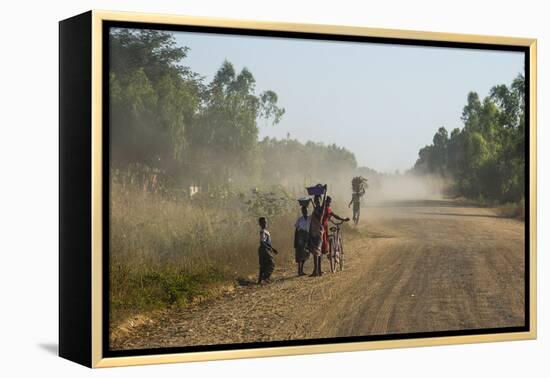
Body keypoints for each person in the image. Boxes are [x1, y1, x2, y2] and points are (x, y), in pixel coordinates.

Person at [258, 217, 278, 284]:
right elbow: (262, 242)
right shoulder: (263, 232)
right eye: (263, 222)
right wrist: (271, 249)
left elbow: (264, 242)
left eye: (265, 222)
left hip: (263, 249)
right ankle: (265, 277)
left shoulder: (265, 231)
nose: (265, 223)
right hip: (265, 250)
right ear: (260, 224)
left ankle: (260, 280)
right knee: (271, 264)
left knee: (263, 265)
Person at [308, 195, 324, 276]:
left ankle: (316, 271)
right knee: (318, 252)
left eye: (318, 200)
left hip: (317, 232)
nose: (316, 201)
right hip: (315, 232)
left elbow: (318, 214)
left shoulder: (321, 209)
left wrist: (325, 191)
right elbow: (315, 208)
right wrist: (311, 202)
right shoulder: (317, 209)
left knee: (316, 253)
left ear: (321, 200)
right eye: (315, 200)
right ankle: (319, 270)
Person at [294, 206, 311, 276]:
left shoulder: (310, 219)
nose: (305, 212)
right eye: (304, 211)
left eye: (306, 211)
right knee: (300, 254)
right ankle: (299, 271)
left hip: (307, 236)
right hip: (300, 237)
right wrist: (295, 240)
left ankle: (301, 270)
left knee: (306, 253)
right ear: (302, 211)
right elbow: (296, 230)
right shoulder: (299, 220)